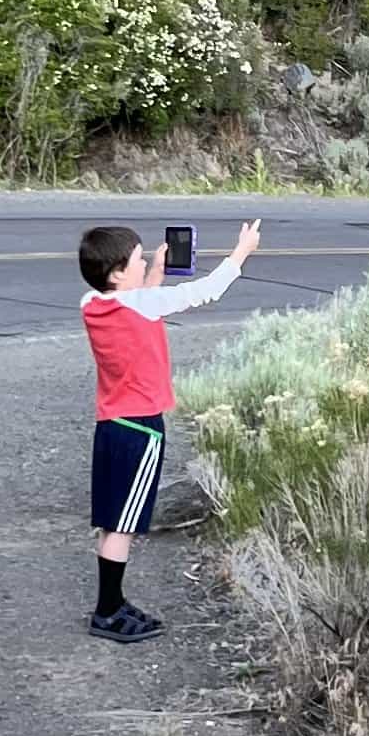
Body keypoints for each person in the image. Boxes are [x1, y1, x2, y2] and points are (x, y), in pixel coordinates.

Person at [78, 219, 262, 643]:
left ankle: (113, 602)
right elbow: (205, 291)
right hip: (140, 429)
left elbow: (139, 304)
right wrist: (241, 253)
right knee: (123, 526)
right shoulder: (144, 305)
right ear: (117, 273)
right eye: (138, 260)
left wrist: (155, 273)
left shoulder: (92, 304)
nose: (145, 263)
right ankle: (107, 613)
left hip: (111, 425)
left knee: (111, 522)